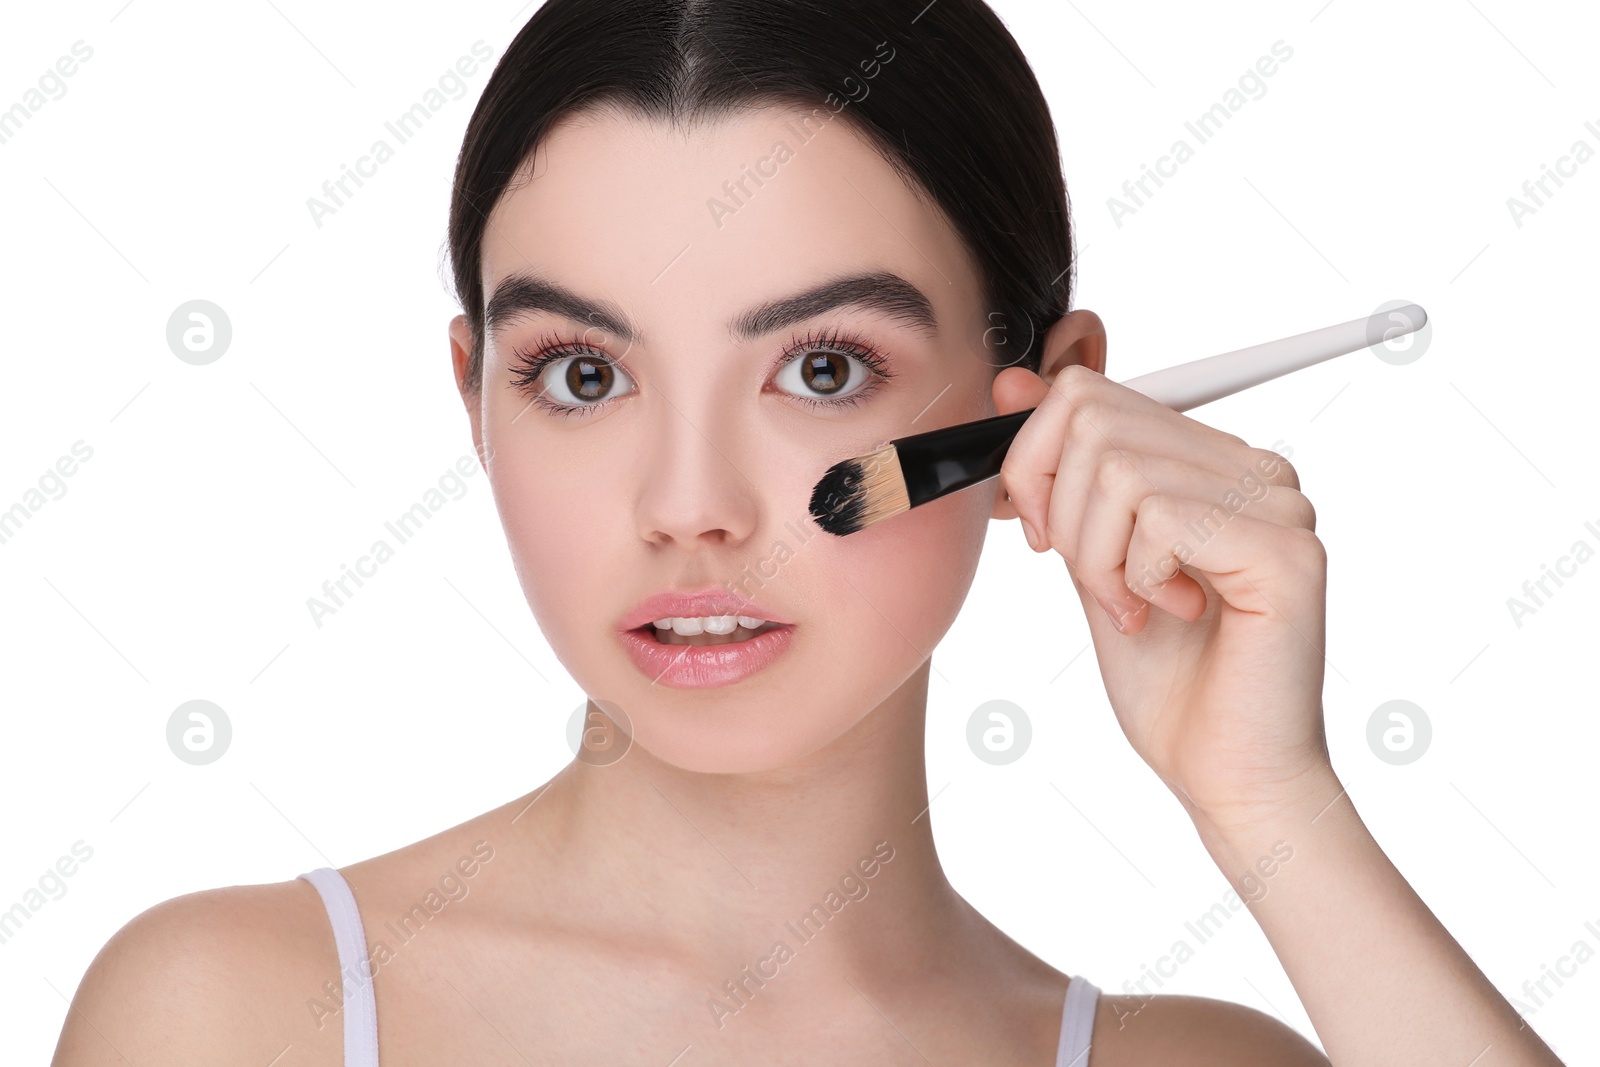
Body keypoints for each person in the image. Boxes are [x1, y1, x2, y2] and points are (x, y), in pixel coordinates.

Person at [52, 1, 1565, 1064]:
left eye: (820, 371)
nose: (689, 503)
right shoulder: (234, 1017)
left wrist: (1268, 802)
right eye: (584, 375)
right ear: (476, 399)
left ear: (1055, 402)